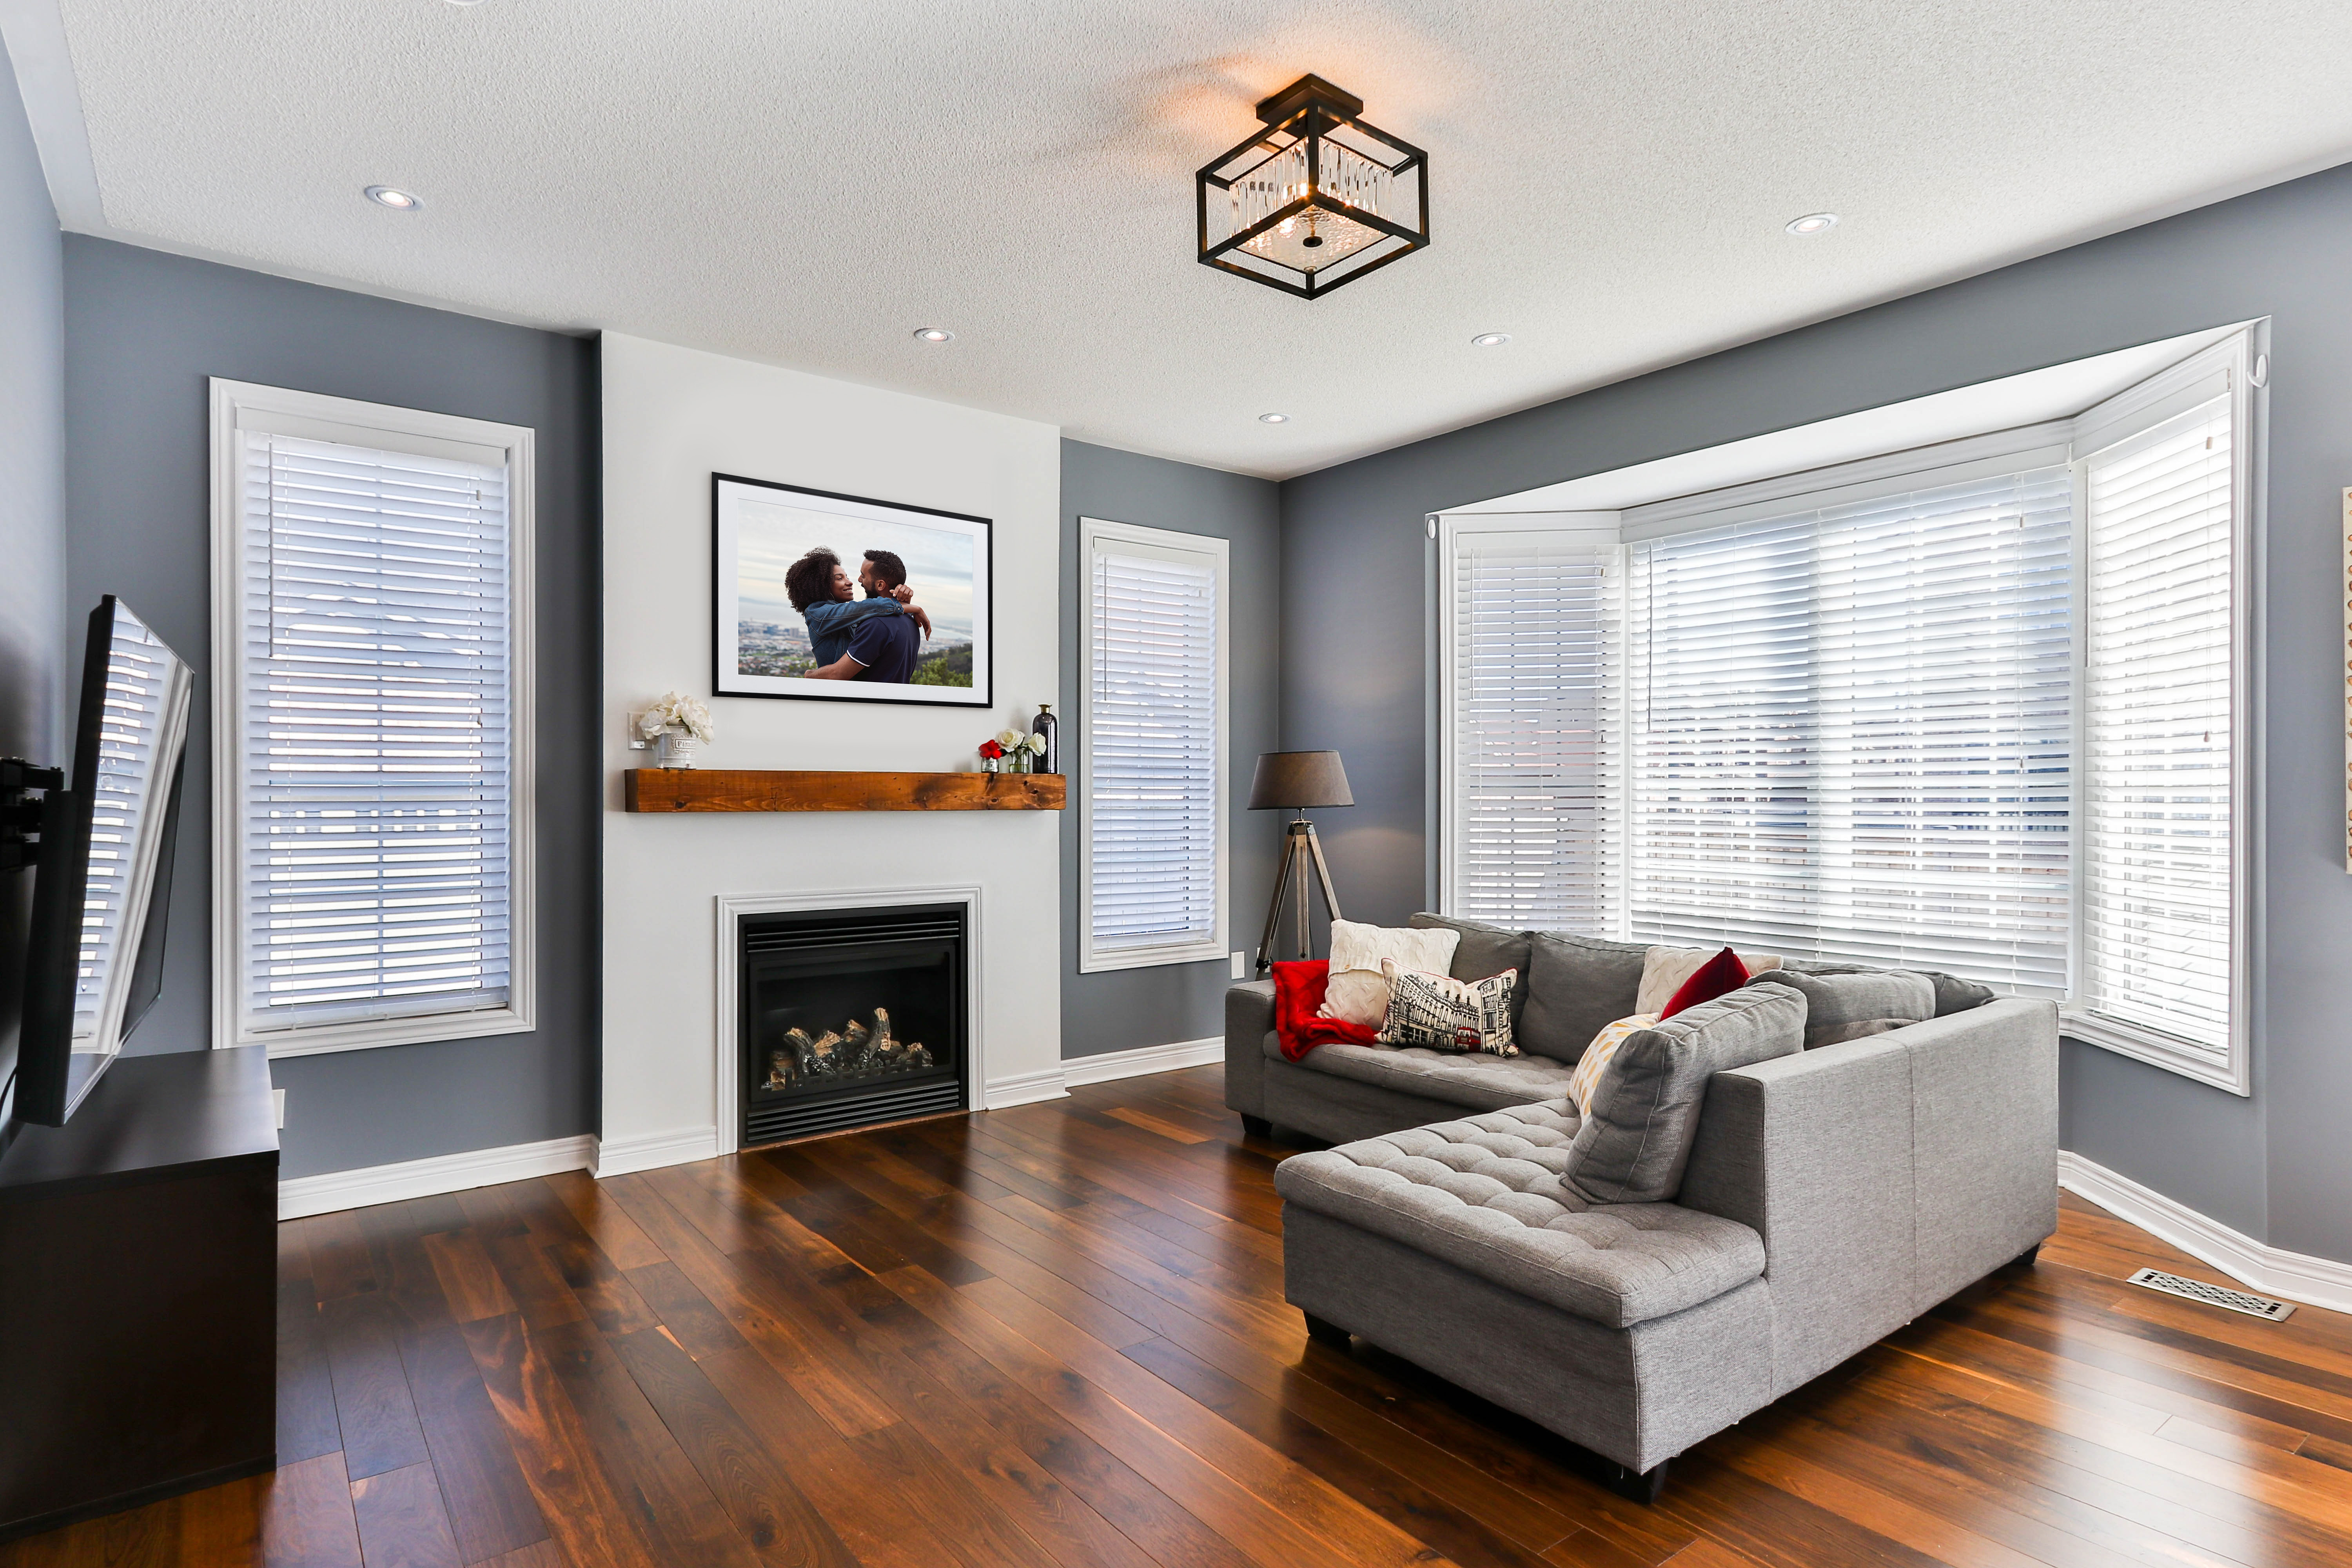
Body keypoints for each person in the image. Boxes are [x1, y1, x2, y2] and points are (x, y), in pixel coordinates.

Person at [782, 547, 931, 665]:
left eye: (846, 576)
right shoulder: (817, 613)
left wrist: (902, 599)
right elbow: (862, 608)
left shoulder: (856, 619)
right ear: (822, 586)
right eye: (840, 578)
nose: (851, 582)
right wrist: (907, 607)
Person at [807, 550, 923, 683]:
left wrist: (809, 675)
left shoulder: (876, 624)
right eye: (840, 578)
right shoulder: (911, 621)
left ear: (880, 585)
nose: (857, 580)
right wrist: (908, 607)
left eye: (863, 576)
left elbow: (838, 674)